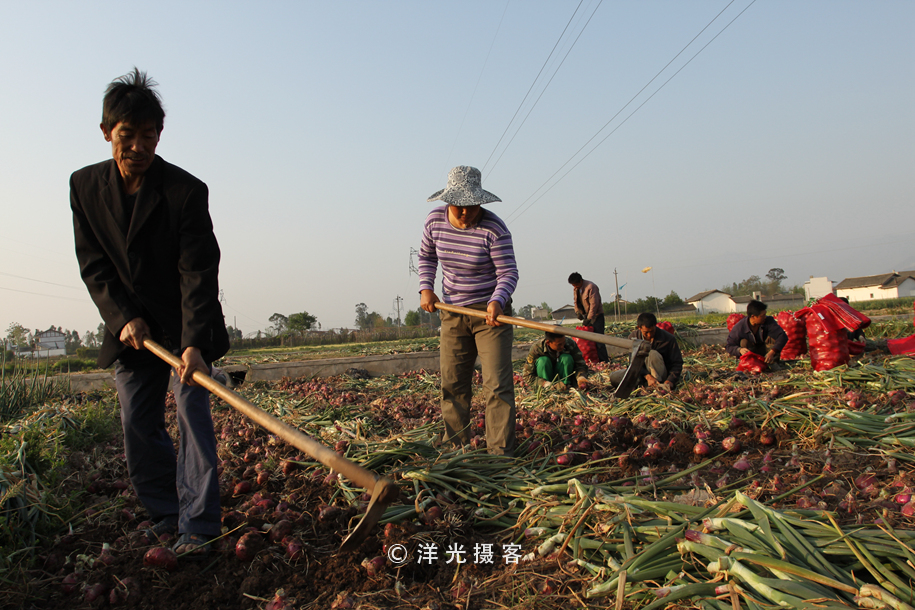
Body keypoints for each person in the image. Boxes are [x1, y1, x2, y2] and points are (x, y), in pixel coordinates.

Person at [71, 69, 228, 558]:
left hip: (185, 327)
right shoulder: (84, 186)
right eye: (127, 135)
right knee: (138, 425)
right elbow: (93, 263)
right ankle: (165, 512)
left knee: (191, 416)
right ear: (106, 133)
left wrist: (194, 342)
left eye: (149, 135)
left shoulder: (184, 191)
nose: (138, 146)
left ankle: (199, 525)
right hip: (131, 332)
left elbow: (198, 271)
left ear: (160, 134)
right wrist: (121, 317)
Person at [419, 166, 518, 456]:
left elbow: (508, 273)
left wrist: (497, 301)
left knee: (497, 385)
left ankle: (500, 454)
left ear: (480, 202)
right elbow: (426, 257)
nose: (465, 213)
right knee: (452, 383)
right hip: (452, 311)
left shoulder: (494, 229)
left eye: (471, 206)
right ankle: (456, 448)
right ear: (448, 201)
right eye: (459, 206)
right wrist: (426, 288)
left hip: (491, 316)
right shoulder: (434, 222)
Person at [609, 312, 683, 390]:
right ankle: (644, 384)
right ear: (639, 328)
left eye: (652, 331)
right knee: (614, 377)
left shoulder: (668, 339)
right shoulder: (633, 338)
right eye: (646, 332)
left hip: (661, 375)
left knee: (651, 354)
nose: (649, 335)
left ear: (655, 325)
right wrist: (647, 376)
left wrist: (670, 380)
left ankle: (656, 386)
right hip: (642, 374)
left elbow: (677, 363)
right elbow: (633, 362)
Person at [523, 331, 590, 391]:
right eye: (559, 344)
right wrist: (544, 383)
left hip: (565, 378)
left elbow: (581, 365)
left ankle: (566, 386)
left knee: (566, 358)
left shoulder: (570, 344)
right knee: (543, 361)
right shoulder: (537, 348)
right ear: (548, 343)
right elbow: (527, 376)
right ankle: (548, 389)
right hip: (546, 381)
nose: (563, 346)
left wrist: (580, 376)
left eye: (563, 343)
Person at [726, 300, 787, 365]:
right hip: (752, 356)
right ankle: (752, 364)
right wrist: (739, 350)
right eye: (762, 315)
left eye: (765, 314)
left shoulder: (769, 321)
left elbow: (782, 336)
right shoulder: (739, 327)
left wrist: (772, 351)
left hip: (766, 353)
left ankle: (772, 363)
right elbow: (729, 346)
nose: (765, 317)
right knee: (743, 342)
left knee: (772, 338)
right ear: (753, 316)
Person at [568, 272, 608, 362]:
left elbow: (594, 305)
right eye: (573, 285)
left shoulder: (591, 287)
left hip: (596, 316)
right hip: (586, 315)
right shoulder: (576, 289)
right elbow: (575, 302)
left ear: (581, 281)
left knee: (599, 340)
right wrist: (577, 312)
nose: (575, 287)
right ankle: (591, 360)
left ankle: (603, 361)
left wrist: (589, 319)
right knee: (588, 340)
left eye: (576, 285)